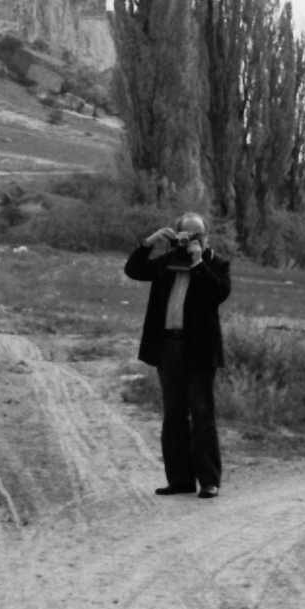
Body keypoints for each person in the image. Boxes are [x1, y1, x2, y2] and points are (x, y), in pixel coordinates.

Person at [124, 212, 231, 499]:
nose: (193, 241)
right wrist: (149, 243)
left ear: (206, 237)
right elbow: (134, 271)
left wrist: (197, 262)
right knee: (173, 416)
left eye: (198, 236)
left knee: (202, 415)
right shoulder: (168, 263)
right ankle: (180, 480)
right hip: (168, 347)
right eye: (187, 236)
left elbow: (217, 293)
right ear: (178, 236)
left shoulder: (216, 264)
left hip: (199, 349)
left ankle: (209, 481)